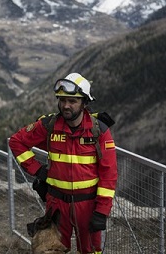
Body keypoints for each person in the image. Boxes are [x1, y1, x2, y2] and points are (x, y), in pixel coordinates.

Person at [9, 72, 118, 254]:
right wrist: (37, 170)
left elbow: (109, 174)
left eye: (72, 101)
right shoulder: (49, 125)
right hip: (56, 205)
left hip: (88, 205)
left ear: (84, 103)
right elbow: (16, 142)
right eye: (62, 100)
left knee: (91, 250)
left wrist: (101, 211)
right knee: (54, 250)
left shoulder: (99, 131)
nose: (66, 105)